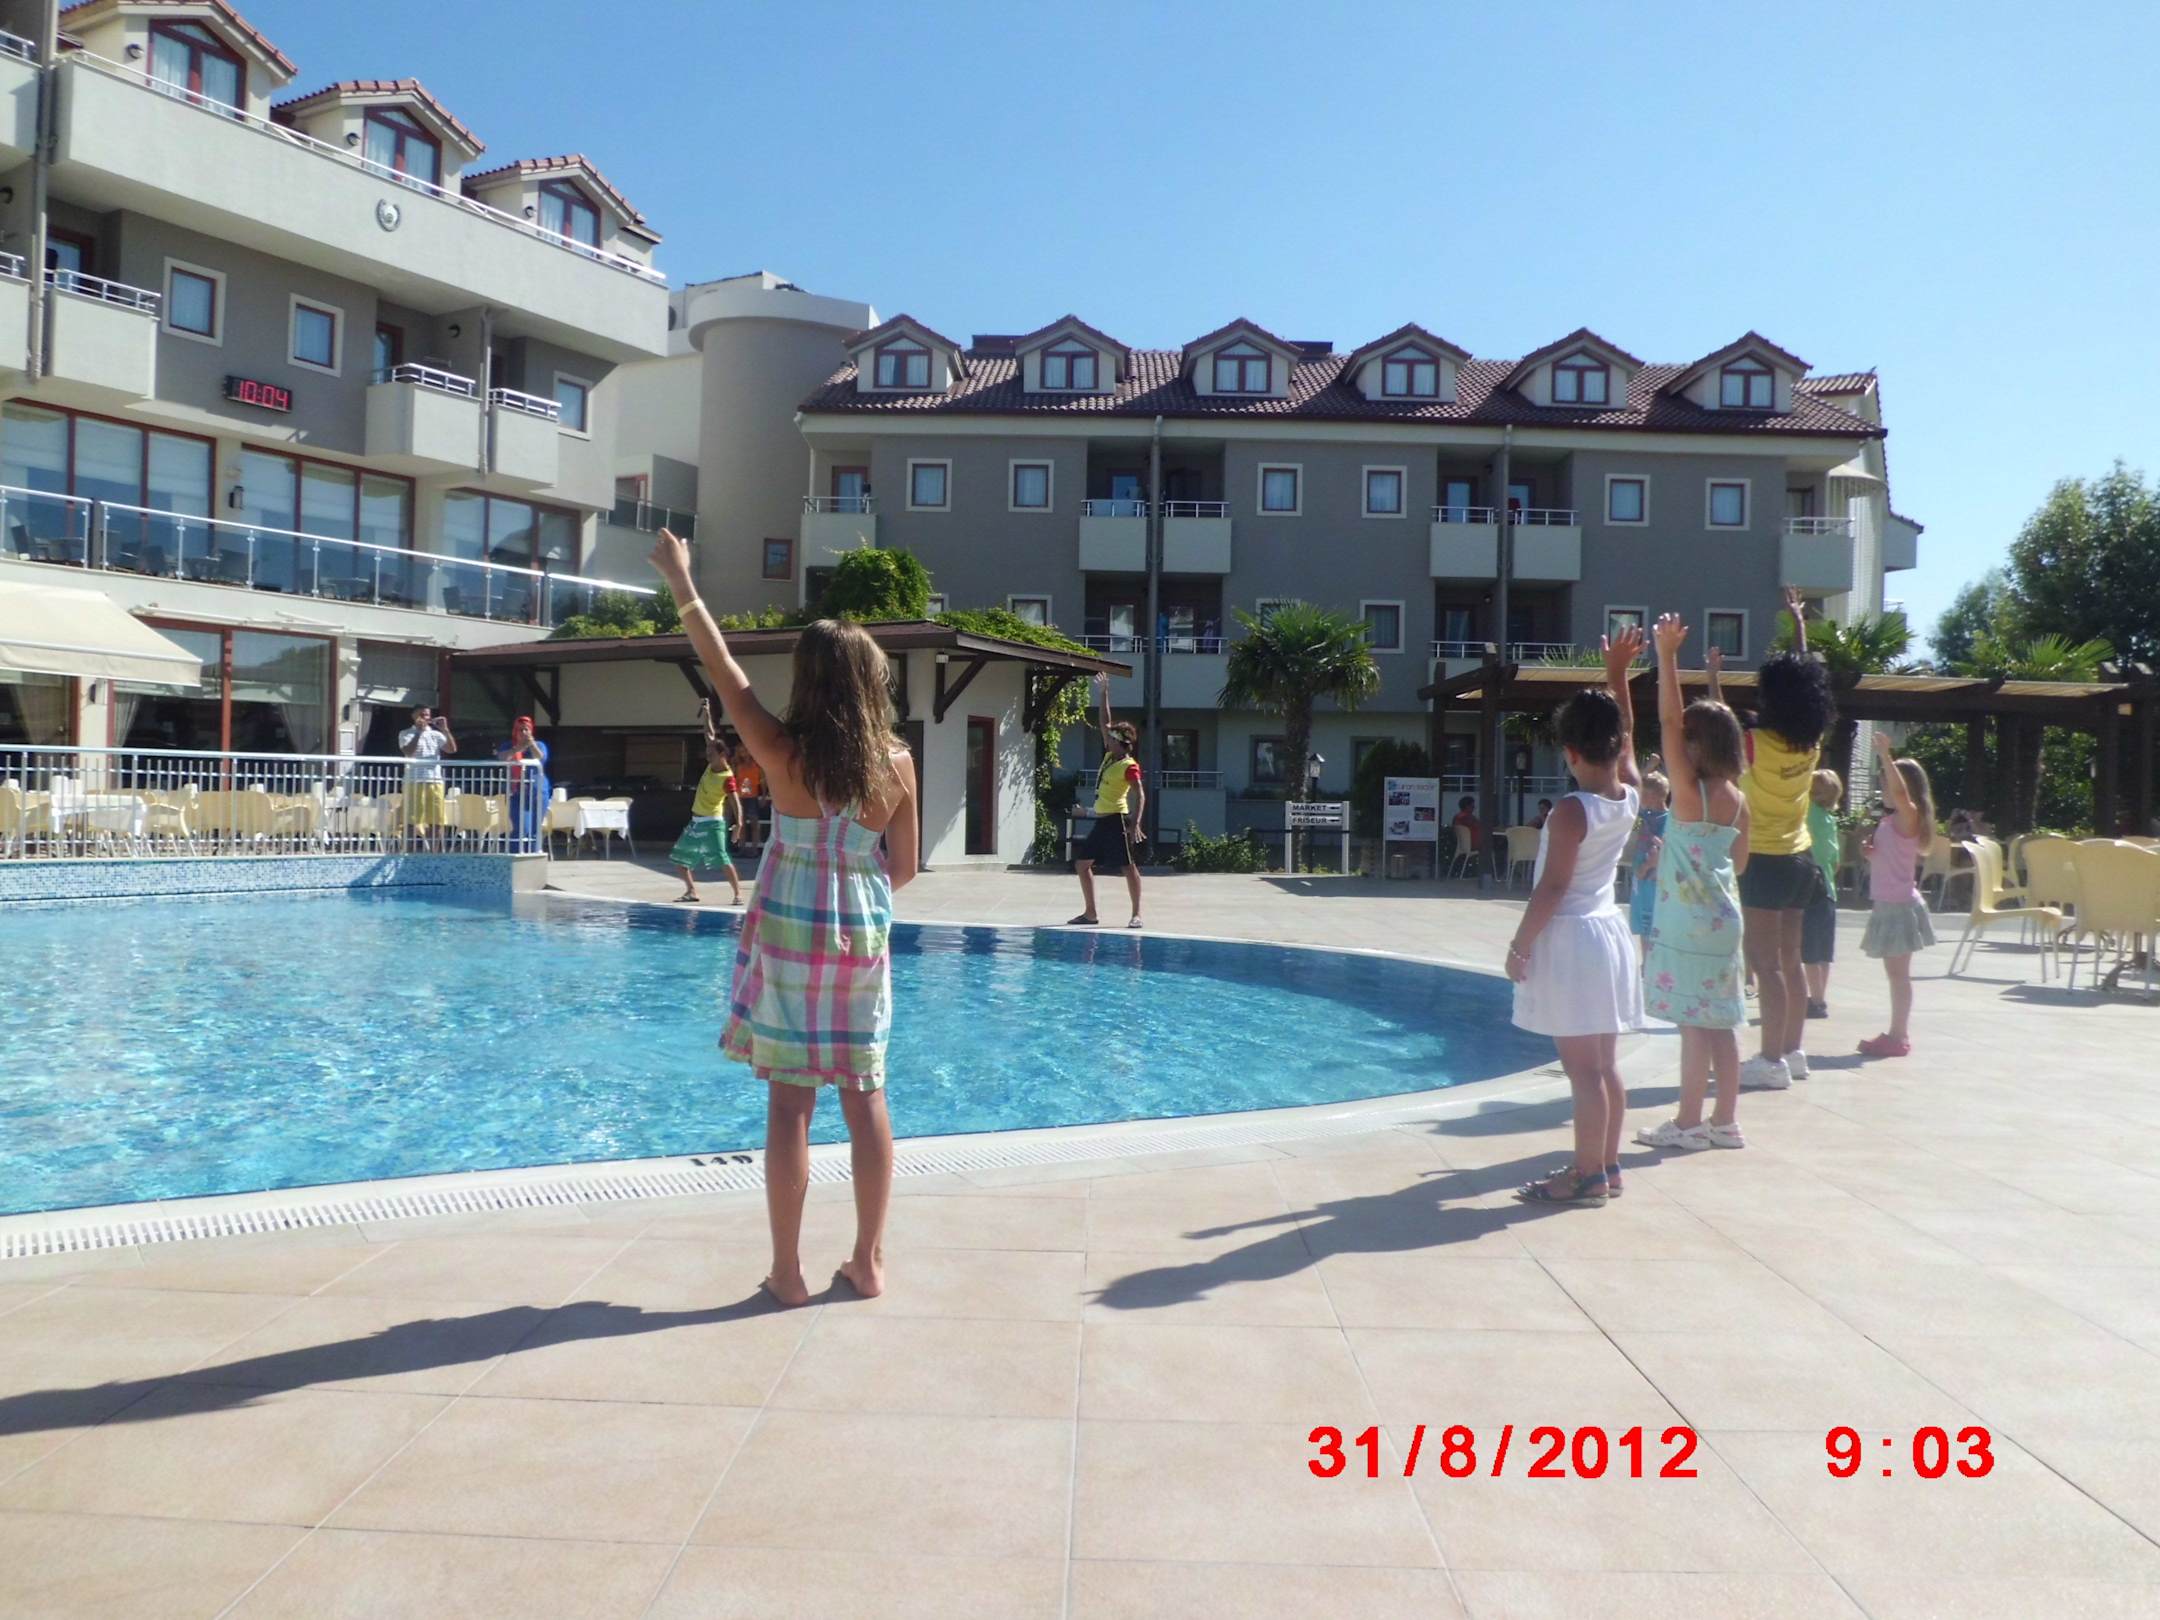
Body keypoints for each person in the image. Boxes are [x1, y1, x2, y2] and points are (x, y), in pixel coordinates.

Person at [647, 527, 920, 1306]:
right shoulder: (897, 762)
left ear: (808, 679)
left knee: (791, 1103)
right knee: (864, 1093)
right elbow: (903, 868)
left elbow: (724, 671)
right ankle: (868, 1262)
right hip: (859, 926)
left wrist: (683, 581)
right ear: (871, 683)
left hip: (790, 927)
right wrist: (855, 887)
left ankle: (789, 1273)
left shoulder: (779, 749)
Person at [1506, 626, 1646, 1206]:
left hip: (1573, 941)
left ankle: (1586, 1175)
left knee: (1582, 1072)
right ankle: (1606, 1165)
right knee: (1606, 1066)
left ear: (1568, 753)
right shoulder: (1630, 792)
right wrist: (1617, 674)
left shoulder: (1570, 810)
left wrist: (1519, 946)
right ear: (1616, 747)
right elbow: (1628, 734)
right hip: (1608, 933)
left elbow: (1553, 887)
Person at [1634, 616, 1752, 1151]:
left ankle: (1687, 1123)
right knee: (1722, 1024)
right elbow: (1740, 864)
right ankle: (1725, 1121)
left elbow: (1666, 719)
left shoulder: (1687, 792)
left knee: (1691, 1026)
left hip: (1687, 925)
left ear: (1696, 745)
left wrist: (1665, 656)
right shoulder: (1738, 800)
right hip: (1726, 921)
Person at [1735, 587, 1835, 1091]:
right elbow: (1806, 677)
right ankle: (1794, 1052)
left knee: (1765, 965)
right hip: (1802, 860)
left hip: (1764, 859)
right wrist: (1798, 628)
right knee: (1790, 962)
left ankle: (1770, 1059)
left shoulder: (1754, 742)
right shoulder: (1811, 741)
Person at [1858, 734, 1938, 1058]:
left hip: (1899, 906)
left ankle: (1898, 1035)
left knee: (1898, 976)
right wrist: (1872, 853)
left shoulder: (1909, 814)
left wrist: (1884, 755)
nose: (1884, 790)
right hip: (1890, 903)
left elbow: (1902, 793)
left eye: (1887, 784)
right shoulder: (1893, 821)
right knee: (1895, 975)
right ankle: (1896, 1034)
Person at [1070, 673, 1146, 928]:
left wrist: (1135, 822)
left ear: (1122, 743)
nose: (1107, 738)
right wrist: (1103, 694)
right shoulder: (1109, 756)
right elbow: (1105, 722)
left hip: (1116, 821)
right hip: (1102, 821)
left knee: (1128, 867)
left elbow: (1140, 794)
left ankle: (1136, 914)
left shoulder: (1129, 765)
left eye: (1112, 738)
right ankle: (1090, 913)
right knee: (1082, 865)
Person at [669, 701, 744, 905]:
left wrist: (739, 824)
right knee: (679, 859)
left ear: (722, 755)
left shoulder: (727, 777)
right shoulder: (712, 764)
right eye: (707, 752)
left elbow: (735, 802)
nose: (707, 756)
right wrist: (707, 713)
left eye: (711, 754)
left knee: (722, 858)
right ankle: (691, 891)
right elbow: (709, 732)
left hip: (713, 823)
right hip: (695, 823)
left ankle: (738, 894)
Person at [1803, 770, 1844, 1017]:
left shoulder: (1806, 812)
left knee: (1808, 949)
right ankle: (1820, 997)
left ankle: (1815, 1000)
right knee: (1824, 951)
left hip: (1809, 887)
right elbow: (1836, 862)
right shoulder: (1830, 820)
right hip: (1829, 890)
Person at [399, 704, 456, 852]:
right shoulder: (405, 733)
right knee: (412, 819)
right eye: (421, 714)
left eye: (427, 715)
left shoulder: (436, 734)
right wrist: (418, 732)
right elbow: (408, 752)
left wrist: (445, 730)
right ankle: (407, 851)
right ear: (413, 716)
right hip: (414, 781)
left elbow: (451, 749)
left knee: (437, 820)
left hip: (435, 780)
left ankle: (433, 854)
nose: (425, 718)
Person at [1626, 771, 1670, 962]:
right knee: (1644, 926)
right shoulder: (1641, 818)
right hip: (1641, 879)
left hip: (1656, 880)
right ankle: (1646, 963)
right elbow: (1632, 832)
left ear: (1653, 796)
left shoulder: (1671, 821)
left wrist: (1650, 865)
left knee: (1658, 923)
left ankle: (1656, 963)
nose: (1639, 797)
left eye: (1643, 794)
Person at [495, 715, 550, 851]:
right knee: (521, 828)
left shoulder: (539, 745)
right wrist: (518, 748)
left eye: (526, 729)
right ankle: (516, 855)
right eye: (520, 730)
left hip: (538, 793)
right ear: (515, 731)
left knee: (535, 829)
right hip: (517, 793)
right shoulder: (508, 745)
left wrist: (531, 744)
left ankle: (533, 856)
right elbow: (502, 758)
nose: (523, 732)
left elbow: (540, 758)